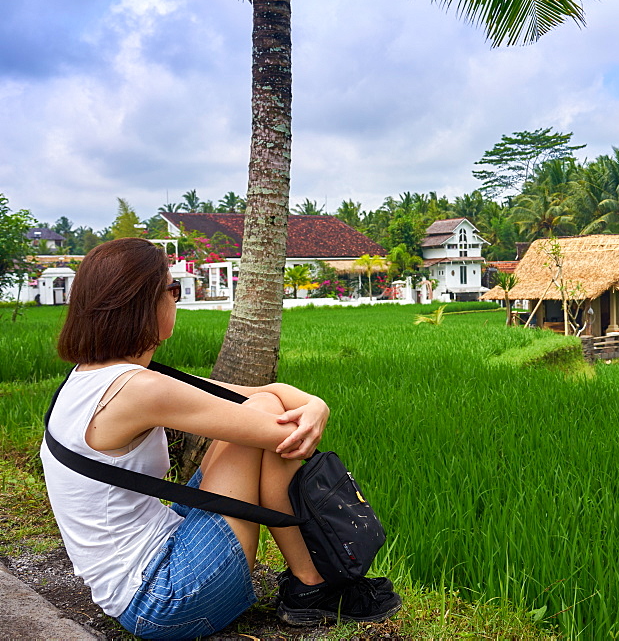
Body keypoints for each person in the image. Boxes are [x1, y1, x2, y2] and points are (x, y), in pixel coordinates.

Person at [39, 238, 401, 639]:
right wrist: (306, 411)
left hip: (137, 583)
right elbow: (279, 426)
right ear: (145, 303)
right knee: (263, 417)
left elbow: (253, 394)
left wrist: (316, 404)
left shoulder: (92, 376)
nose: (176, 299)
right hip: (163, 601)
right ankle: (313, 586)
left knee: (261, 406)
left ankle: (310, 583)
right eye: (172, 289)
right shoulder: (138, 389)